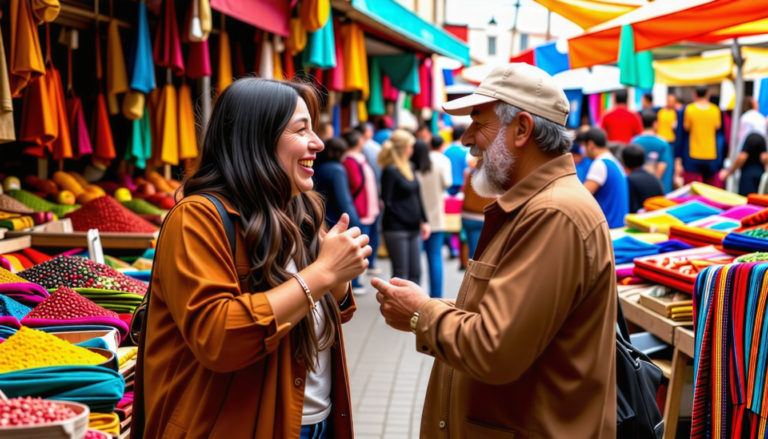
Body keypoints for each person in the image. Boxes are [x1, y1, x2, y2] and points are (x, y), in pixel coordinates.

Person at [372, 63, 616, 438]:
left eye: (478, 122)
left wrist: (422, 312)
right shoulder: (538, 206)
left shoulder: (553, 214)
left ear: (522, 128)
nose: (466, 139)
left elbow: (494, 348)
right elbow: (510, 326)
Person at [139, 78, 372, 438]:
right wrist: (323, 273)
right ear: (257, 138)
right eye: (301, 129)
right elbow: (219, 337)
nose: (319, 142)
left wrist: (338, 280)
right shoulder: (198, 218)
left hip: (315, 423)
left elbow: (317, 313)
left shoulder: (300, 209)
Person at [379, 129, 430, 284]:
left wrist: (424, 220)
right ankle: (397, 307)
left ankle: (414, 307)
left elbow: (417, 196)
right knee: (401, 273)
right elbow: (387, 202)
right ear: (403, 148)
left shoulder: (411, 167)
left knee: (416, 272)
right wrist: (407, 218)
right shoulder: (390, 171)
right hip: (396, 229)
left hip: (414, 228)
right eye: (410, 146)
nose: (412, 149)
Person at [412, 136, 452, 298]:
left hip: (416, 221)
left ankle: (414, 295)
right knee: (435, 258)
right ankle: (436, 296)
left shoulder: (410, 170)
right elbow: (447, 184)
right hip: (436, 219)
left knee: (414, 260)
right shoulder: (436, 167)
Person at [342, 130, 379, 294]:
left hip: (367, 208)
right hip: (361, 208)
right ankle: (355, 282)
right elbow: (356, 183)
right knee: (358, 246)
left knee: (364, 244)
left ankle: (358, 279)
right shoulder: (350, 160)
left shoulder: (359, 158)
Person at [583, 128, 629, 228]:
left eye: (584, 146)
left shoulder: (600, 164)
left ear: (591, 145)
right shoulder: (615, 163)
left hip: (608, 228)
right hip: (619, 225)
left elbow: (581, 196)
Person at [678, 86, 722, 185]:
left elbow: (686, 127)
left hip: (693, 153)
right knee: (709, 188)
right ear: (708, 94)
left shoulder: (690, 109)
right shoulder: (715, 109)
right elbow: (718, 126)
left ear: (694, 94)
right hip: (711, 153)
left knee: (692, 186)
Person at [355, 122, 383, 276]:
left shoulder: (366, 151)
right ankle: (368, 264)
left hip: (368, 200)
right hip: (370, 199)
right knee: (370, 233)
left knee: (365, 233)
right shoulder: (373, 149)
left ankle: (365, 265)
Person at [314, 137, 361, 229]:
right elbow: (344, 201)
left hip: (323, 216)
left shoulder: (321, 167)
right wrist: (356, 223)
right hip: (335, 218)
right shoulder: (336, 170)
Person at [632, 111, 674, 193]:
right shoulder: (663, 143)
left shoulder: (634, 141)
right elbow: (662, 166)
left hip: (639, 188)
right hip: (660, 190)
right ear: (655, 124)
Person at [622, 144, 665, 213]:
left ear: (624, 163)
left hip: (640, 221)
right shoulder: (654, 178)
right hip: (658, 218)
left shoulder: (629, 180)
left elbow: (631, 208)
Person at [443, 126, 469, 195]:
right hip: (462, 185)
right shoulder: (467, 150)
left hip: (448, 184)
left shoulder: (445, 149)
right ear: (462, 136)